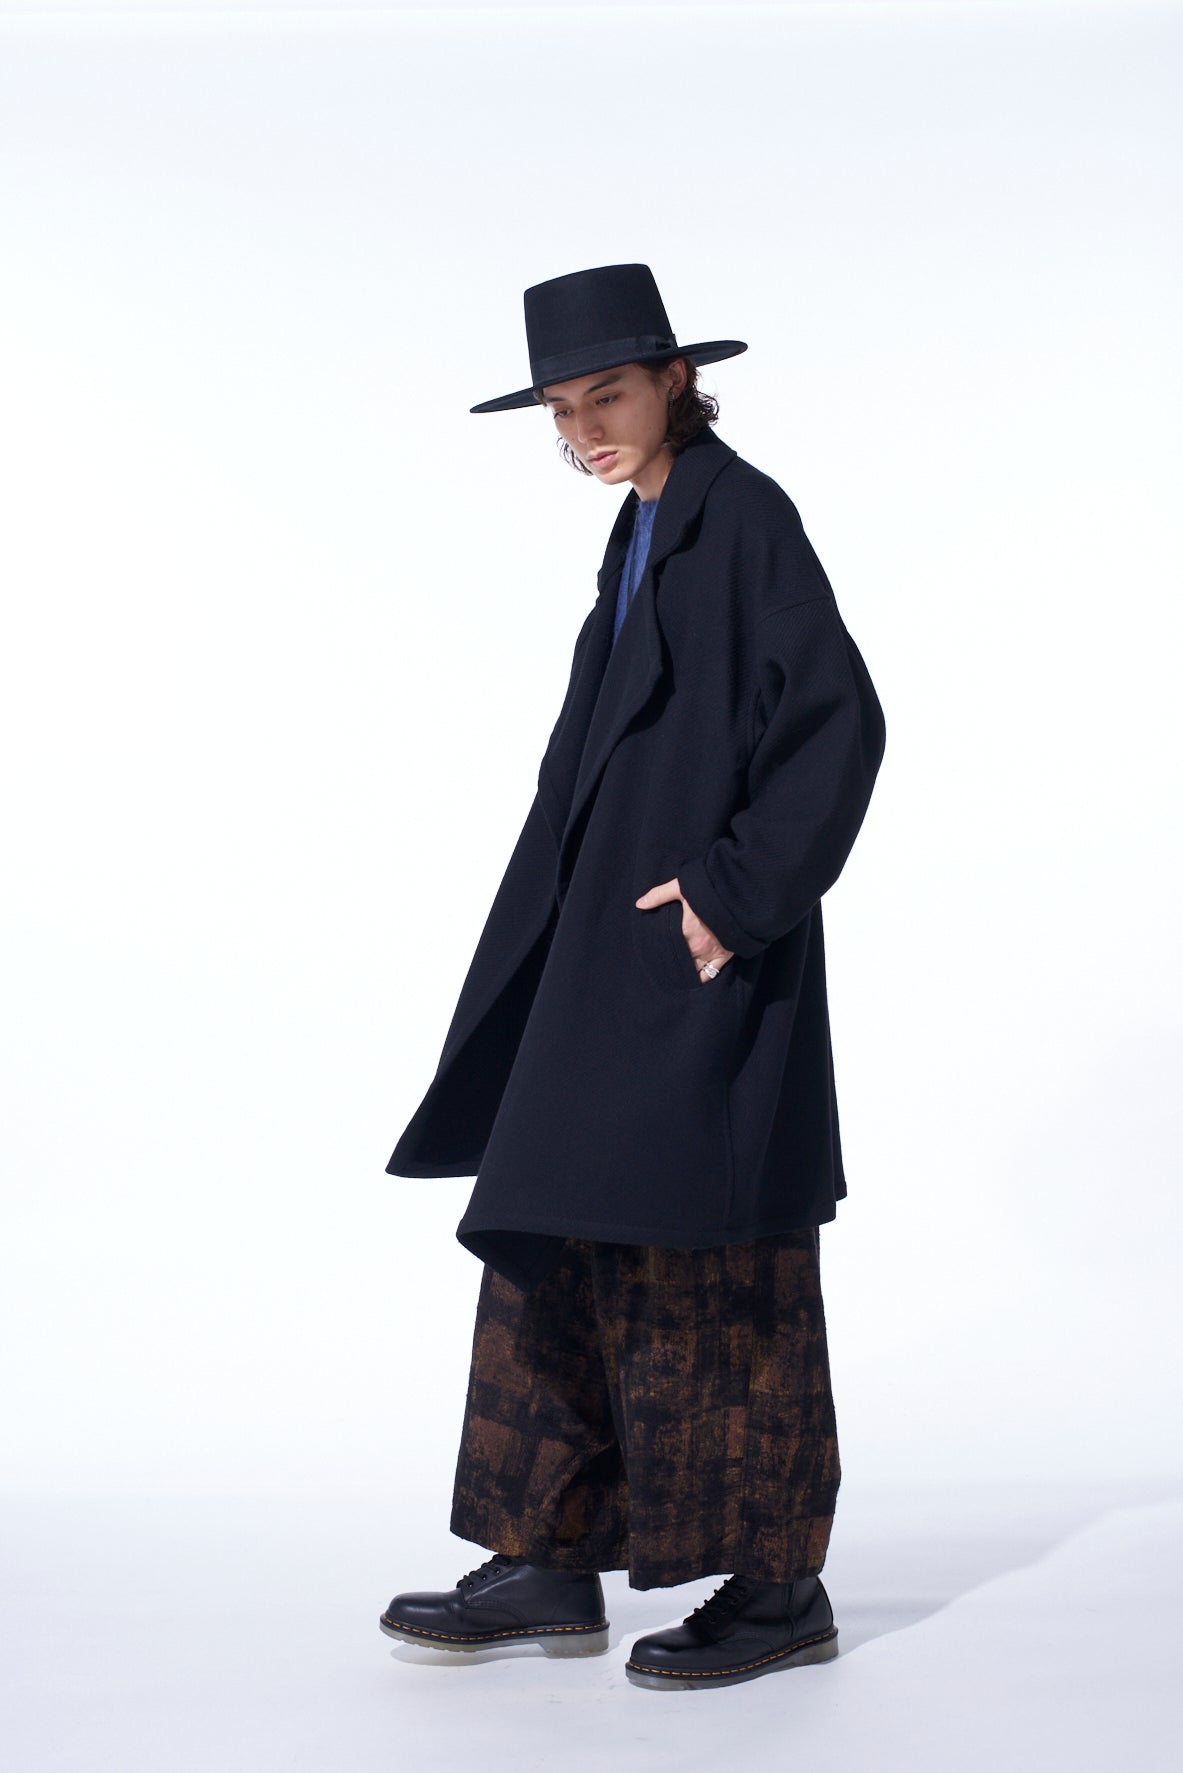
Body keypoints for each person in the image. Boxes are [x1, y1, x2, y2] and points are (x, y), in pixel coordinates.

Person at [379, 263, 887, 1691]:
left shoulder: (743, 517)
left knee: (720, 1256)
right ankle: (547, 1550)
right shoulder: (644, 523)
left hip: (696, 958)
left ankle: (779, 1586)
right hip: (600, 957)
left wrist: (732, 896)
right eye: (560, 408)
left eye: (607, 394)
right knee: (551, 1227)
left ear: (676, 381)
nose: (583, 429)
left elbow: (840, 722)